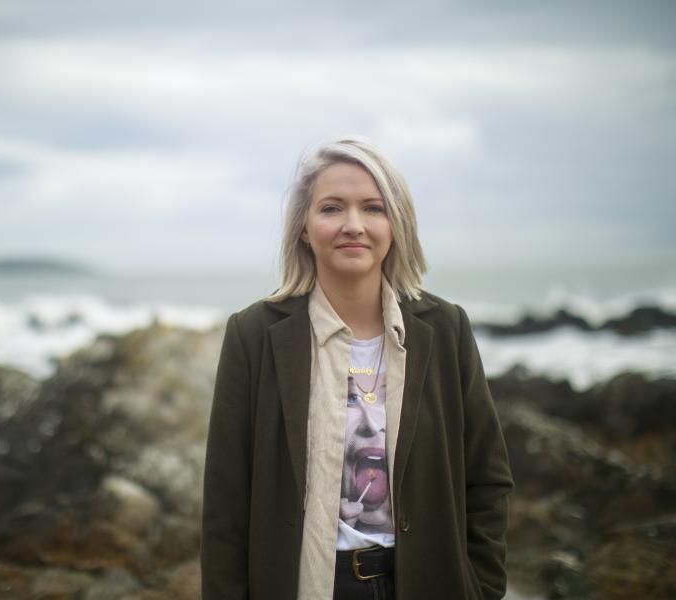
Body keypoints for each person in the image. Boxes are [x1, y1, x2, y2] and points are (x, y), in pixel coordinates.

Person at [201, 136, 514, 600]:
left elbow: (486, 478)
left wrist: (480, 587)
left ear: (396, 224)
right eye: (331, 208)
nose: (353, 225)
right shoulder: (254, 334)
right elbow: (226, 501)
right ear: (304, 227)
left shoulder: (445, 329)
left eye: (372, 208)